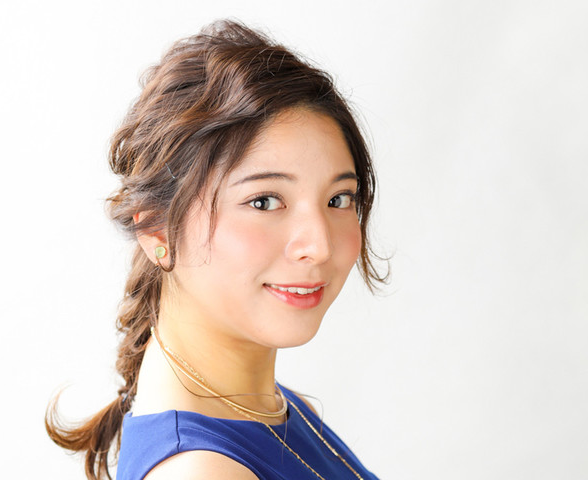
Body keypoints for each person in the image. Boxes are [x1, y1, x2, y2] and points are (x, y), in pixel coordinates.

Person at [46, 19, 388, 480]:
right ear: (156, 230)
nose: (319, 245)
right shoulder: (201, 469)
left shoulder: (277, 409)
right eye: (264, 202)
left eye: (338, 199)